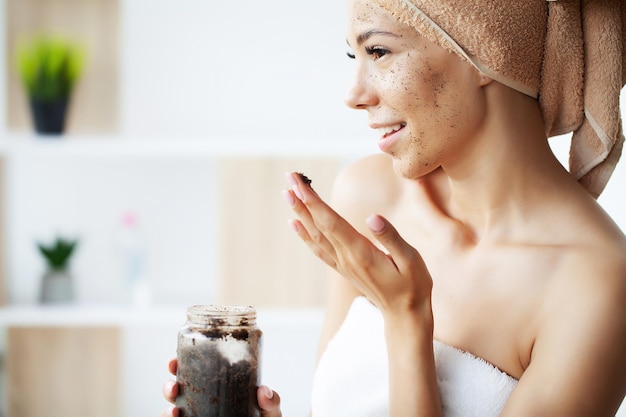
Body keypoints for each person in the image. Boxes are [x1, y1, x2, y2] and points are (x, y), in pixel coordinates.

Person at [163, 0, 626, 415]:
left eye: (378, 52)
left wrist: (407, 321)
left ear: (486, 53)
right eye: (354, 56)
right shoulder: (369, 196)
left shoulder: (596, 284)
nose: (354, 94)